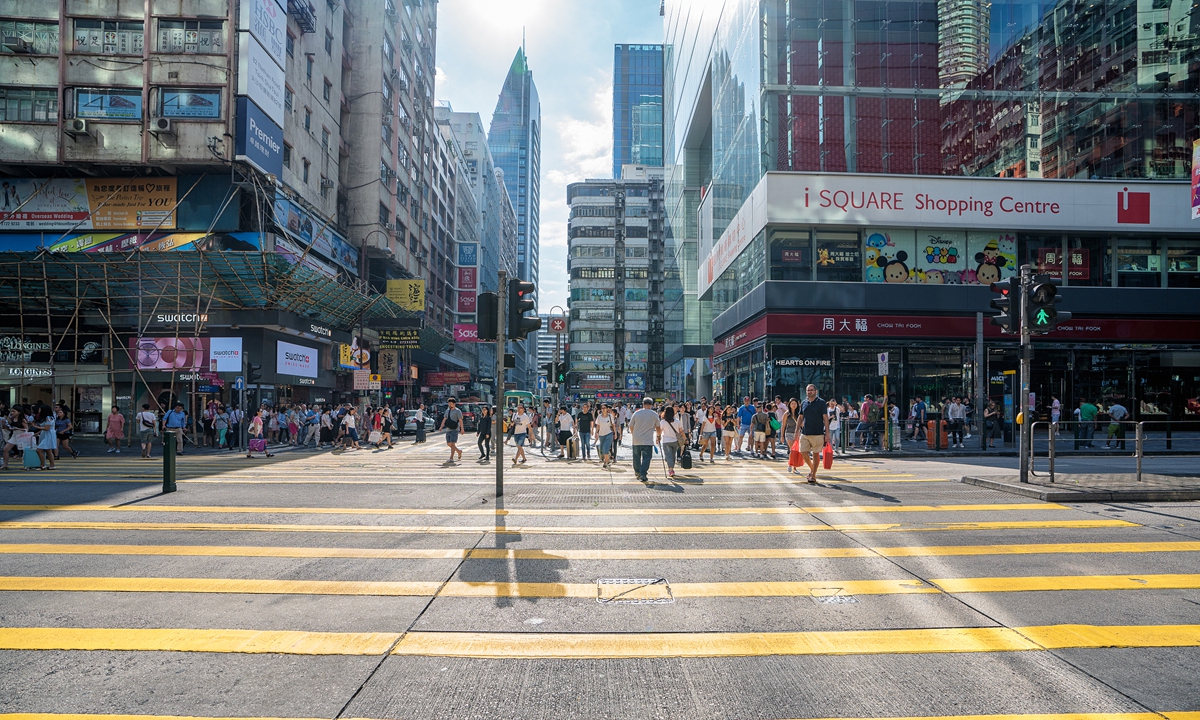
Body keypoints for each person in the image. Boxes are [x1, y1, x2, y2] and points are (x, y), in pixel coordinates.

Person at [798, 384, 831, 484]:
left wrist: (827, 433)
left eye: (811, 390)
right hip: (805, 433)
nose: (809, 392)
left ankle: (813, 475)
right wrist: (796, 431)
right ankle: (813, 469)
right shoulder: (804, 403)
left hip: (818, 433)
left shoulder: (821, 402)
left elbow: (825, 418)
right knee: (803, 452)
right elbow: (800, 417)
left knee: (815, 454)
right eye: (808, 390)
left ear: (816, 391)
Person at [628, 397, 660, 483]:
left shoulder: (636, 413)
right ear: (651, 405)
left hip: (636, 440)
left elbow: (630, 426)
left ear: (643, 404)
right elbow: (658, 427)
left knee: (636, 457)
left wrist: (633, 434)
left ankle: (638, 472)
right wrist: (658, 436)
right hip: (648, 441)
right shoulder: (654, 414)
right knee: (647, 458)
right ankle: (643, 473)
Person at [656, 405, 685, 478]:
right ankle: (671, 468)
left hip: (666, 441)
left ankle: (671, 470)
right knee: (672, 456)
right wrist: (685, 438)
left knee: (668, 456)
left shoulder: (663, 422)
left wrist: (658, 438)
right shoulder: (677, 421)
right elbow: (681, 431)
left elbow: (660, 431)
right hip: (675, 441)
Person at [783, 398, 802, 474]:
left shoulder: (800, 414)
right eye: (792, 404)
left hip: (798, 434)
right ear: (789, 405)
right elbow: (783, 426)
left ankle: (794, 467)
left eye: (795, 403)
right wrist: (782, 436)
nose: (794, 405)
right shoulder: (786, 414)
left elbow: (802, 424)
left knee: (797, 451)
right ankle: (791, 465)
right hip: (789, 433)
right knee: (793, 449)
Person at [595, 404, 616, 469]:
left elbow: (613, 425)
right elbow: (598, 425)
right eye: (602, 408)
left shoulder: (610, 416)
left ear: (607, 409)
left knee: (606, 448)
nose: (603, 409)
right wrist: (596, 433)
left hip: (609, 433)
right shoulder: (599, 417)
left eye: (605, 408)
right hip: (601, 434)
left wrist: (615, 433)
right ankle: (607, 459)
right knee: (602, 449)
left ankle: (605, 462)